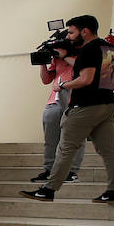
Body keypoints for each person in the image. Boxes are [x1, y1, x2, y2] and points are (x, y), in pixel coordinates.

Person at [22, 14, 114, 204]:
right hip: (108, 104)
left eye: (71, 32)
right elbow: (106, 79)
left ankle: (48, 189)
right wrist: (66, 57)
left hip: (85, 106)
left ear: (85, 31)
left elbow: (85, 79)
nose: (68, 36)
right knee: (109, 150)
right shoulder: (109, 48)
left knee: (66, 148)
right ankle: (113, 191)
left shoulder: (88, 50)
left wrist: (64, 85)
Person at [32, 38, 85, 182]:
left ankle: (72, 171)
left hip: (75, 101)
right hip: (54, 101)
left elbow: (83, 69)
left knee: (74, 139)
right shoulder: (56, 60)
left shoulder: (82, 55)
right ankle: (49, 169)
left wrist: (65, 56)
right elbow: (46, 80)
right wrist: (42, 62)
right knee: (50, 139)